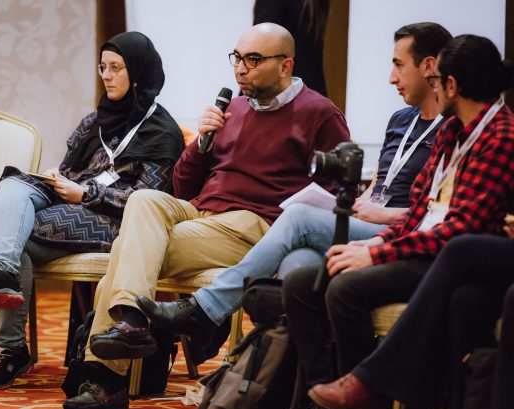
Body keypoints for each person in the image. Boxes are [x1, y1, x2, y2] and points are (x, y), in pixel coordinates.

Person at [61, 22, 349, 409]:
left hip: (255, 223)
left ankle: (107, 377)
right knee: (144, 200)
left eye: (254, 60)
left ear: (286, 66)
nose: (241, 68)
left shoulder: (319, 113)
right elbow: (182, 185)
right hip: (201, 211)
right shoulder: (233, 108)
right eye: (238, 58)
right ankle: (132, 323)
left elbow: (337, 191)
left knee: (129, 250)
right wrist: (202, 142)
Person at [137, 23, 452, 352]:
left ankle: (204, 311)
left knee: (297, 217)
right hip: (355, 221)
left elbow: (444, 213)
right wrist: (359, 204)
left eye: (399, 65)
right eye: (237, 58)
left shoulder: (452, 130)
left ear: (429, 66)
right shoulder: (401, 120)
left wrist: (380, 214)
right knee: (297, 268)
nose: (391, 77)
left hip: (395, 229)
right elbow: (378, 185)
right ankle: (287, 375)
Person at [283, 34, 514, 409]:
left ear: (451, 86)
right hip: (423, 245)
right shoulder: (450, 132)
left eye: (436, 80)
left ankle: (364, 403)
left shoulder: (501, 136)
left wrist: (376, 253)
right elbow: (420, 211)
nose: (432, 88)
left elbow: (463, 228)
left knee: (345, 288)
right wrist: (374, 244)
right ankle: (323, 406)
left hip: (446, 257)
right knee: (302, 283)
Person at [0, 31, 184, 390]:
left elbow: (151, 201)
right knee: (13, 185)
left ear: (139, 73)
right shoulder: (95, 121)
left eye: (116, 68)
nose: (106, 75)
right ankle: (4, 282)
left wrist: (87, 194)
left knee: (16, 237)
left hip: (117, 223)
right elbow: (70, 170)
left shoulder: (162, 132)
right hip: (71, 203)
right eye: (102, 67)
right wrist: (58, 178)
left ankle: (10, 345)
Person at [308, 234, 514, 409]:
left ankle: (371, 386)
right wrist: (380, 240)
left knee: (460, 249)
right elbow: (417, 216)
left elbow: (456, 227)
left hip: (443, 250)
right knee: (466, 300)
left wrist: (377, 252)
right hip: (435, 246)